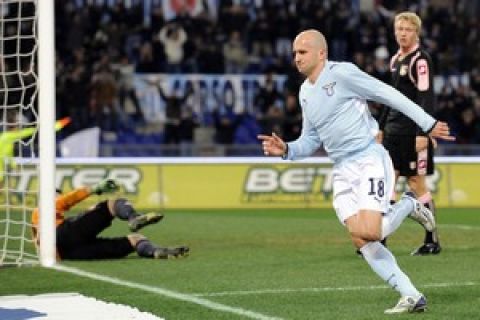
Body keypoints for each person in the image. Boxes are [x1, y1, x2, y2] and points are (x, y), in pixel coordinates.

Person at [258, 29, 454, 314]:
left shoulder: (343, 74)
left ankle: (411, 202)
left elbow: (386, 93)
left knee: (373, 230)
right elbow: (311, 139)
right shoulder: (305, 92)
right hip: (341, 169)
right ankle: (411, 295)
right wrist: (287, 149)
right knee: (360, 238)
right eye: (294, 53)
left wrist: (426, 122)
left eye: (302, 52)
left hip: (368, 159)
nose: (296, 58)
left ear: (321, 53)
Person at [378, 12, 441, 256]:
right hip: (393, 132)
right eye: (399, 29)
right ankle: (381, 239)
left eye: (408, 29)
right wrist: (381, 127)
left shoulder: (420, 60)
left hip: (413, 133)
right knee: (388, 183)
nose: (402, 33)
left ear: (417, 33)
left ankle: (432, 239)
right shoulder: (395, 60)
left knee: (416, 183)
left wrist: (424, 131)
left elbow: (426, 97)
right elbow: (388, 98)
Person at [31, 179, 189, 260]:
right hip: (64, 236)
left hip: (70, 252)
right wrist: (95, 188)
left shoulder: (37, 219)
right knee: (112, 204)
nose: (59, 195)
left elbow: (38, 242)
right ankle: (134, 217)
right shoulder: (47, 203)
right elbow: (68, 200)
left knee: (135, 240)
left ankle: (154, 251)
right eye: (58, 193)